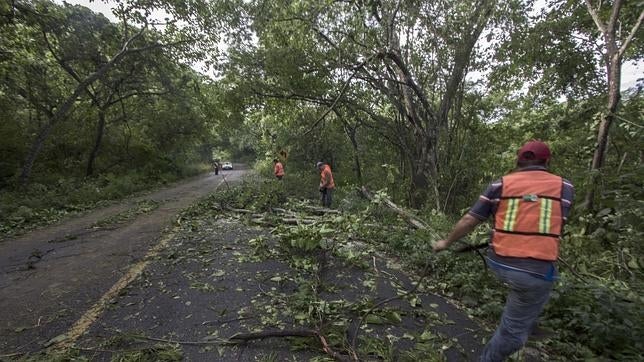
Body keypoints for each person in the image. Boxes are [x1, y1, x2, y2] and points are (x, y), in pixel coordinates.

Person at [433, 140, 574, 362]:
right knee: (515, 332)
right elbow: (559, 220)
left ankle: (526, 318)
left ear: (517, 160)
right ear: (547, 161)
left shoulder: (501, 184)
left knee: (526, 296)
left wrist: (445, 243)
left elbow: (471, 219)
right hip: (533, 272)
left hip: (498, 262)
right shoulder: (564, 187)